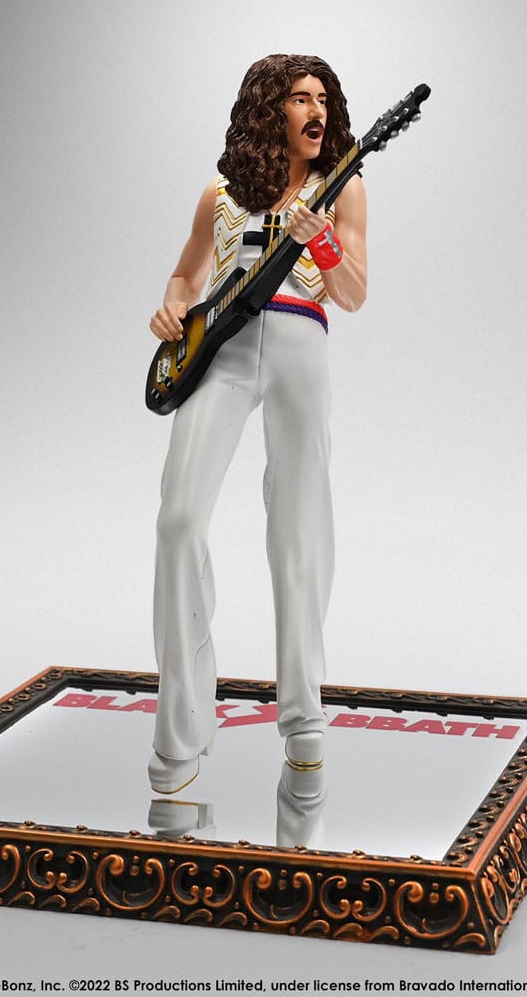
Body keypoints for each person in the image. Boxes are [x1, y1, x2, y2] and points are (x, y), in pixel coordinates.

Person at [148, 54, 367, 797]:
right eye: (299, 98)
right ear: (268, 108)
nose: (316, 111)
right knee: (178, 519)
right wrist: (172, 306)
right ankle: (181, 726)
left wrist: (321, 239)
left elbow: (353, 293)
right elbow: (187, 273)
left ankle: (304, 717)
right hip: (222, 350)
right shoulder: (221, 194)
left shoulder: (340, 187)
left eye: (322, 98)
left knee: (299, 528)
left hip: (302, 340)